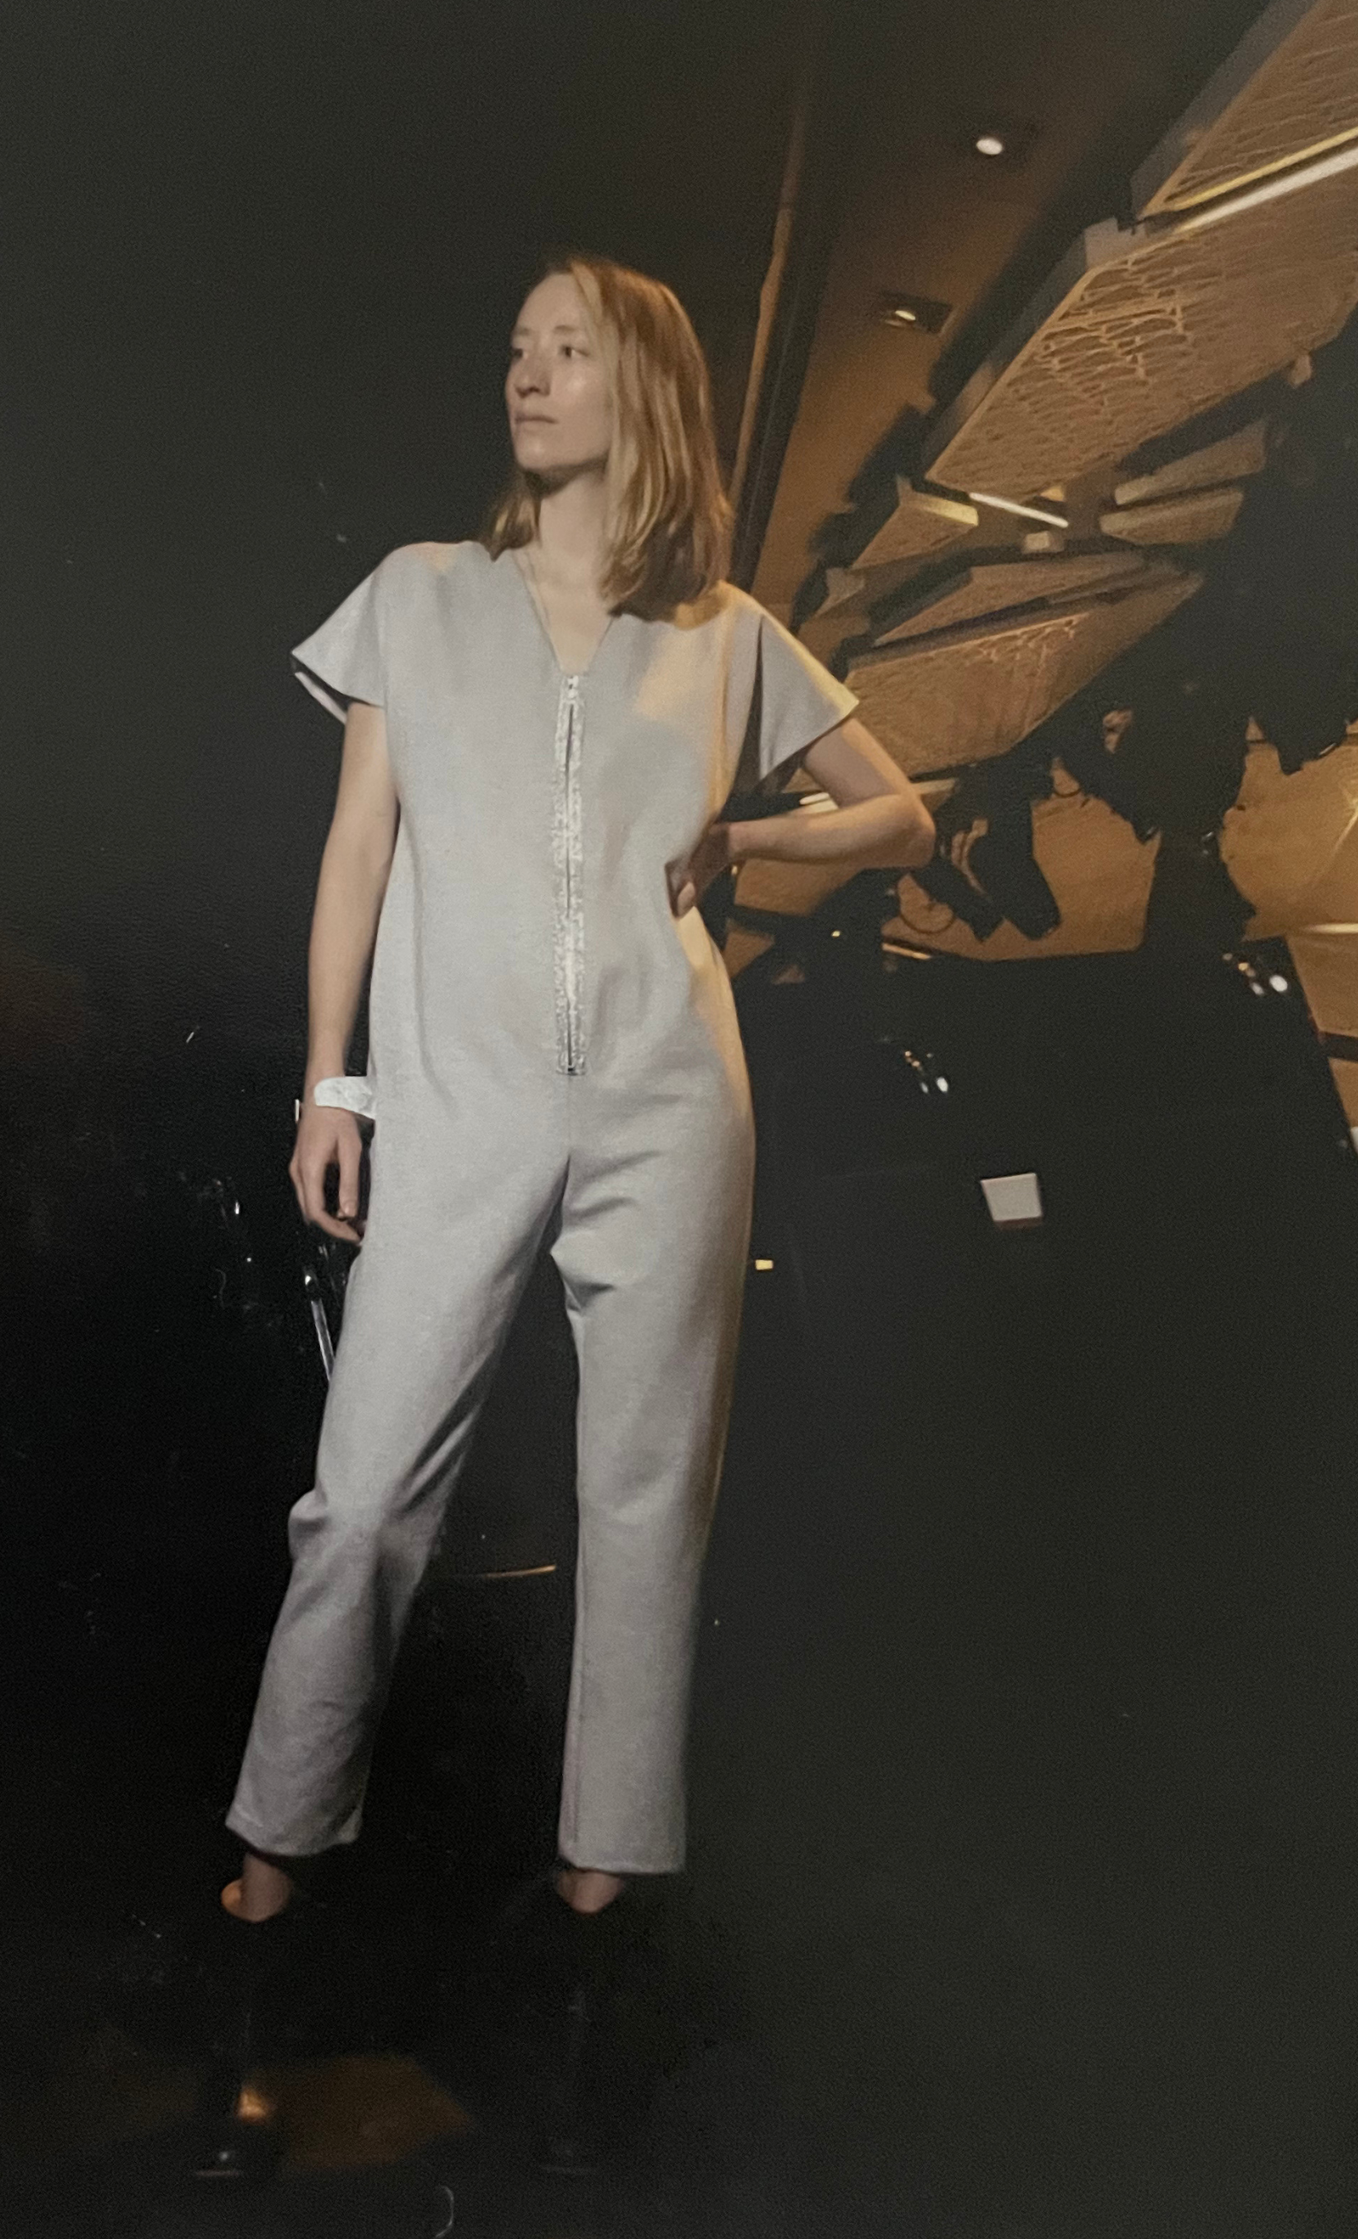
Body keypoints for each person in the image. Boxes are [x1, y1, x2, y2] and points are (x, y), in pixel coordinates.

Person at [204, 249, 934, 2171]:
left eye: (569, 350)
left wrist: (745, 832)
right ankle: (270, 1873)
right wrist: (332, 1078)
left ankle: (602, 1899)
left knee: (645, 1494)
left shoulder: (724, 633)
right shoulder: (420, 595)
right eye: (517, 349)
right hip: (452, 1097)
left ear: (645, 388)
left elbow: (907, 814)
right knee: (365, 1494)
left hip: (671, 1099)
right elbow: (357, 846)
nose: (527, 375)